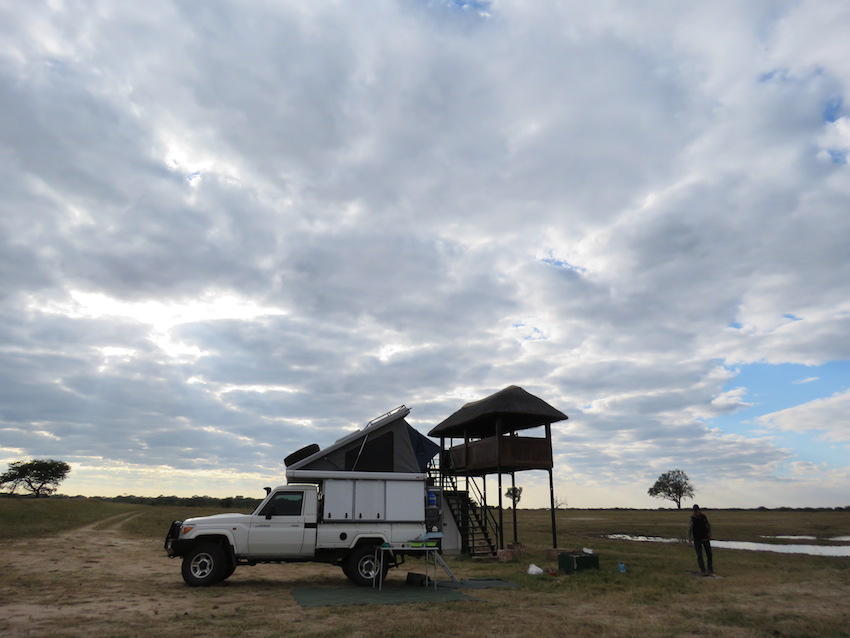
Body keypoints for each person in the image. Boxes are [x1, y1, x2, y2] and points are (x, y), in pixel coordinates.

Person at [688, 504, 714, 575]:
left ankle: (710, 569)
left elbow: (709, 525)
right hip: (697, 539)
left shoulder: (704, 517)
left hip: (705, 538)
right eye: (695, 511)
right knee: (699, 556)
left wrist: (710, 534)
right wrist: (690, 540)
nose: (696, 512)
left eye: (697, 511)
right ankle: (703, 570)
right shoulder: (692, 519)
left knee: (709, 555)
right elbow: (689, 530)